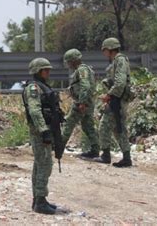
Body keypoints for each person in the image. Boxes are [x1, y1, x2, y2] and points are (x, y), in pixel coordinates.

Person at [22, 58, 62, 215]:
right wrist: (44, 130)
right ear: (37, 71)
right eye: (45, 70)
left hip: (45, 129)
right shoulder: (33, 88)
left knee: (40, 164)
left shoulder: (42, 87)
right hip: (40, 132)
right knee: (44, 164)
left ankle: (39, 199)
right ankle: (40, 201)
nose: (48, 72)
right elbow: (35, 110)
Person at [93, 37, 132, 167]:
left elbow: (120, 83)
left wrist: (108, 95)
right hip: (117, 100)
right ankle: (126, 158)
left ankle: (105, 156)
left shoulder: (120, 60)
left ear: (110, 49)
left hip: (117, 100)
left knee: (104, 126)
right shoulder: (117, 61)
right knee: (118, 129)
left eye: (104, 50)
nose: (104, 53)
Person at [61, 48, 100, 159]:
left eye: (68, 62)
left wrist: (82, 102)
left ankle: (59, 147)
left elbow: (85, 86)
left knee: (69, 122)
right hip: (88, 102)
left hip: (82, 102)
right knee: (88, 126)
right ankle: (95, 150)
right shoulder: (85, 69)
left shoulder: (82, 70)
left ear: (73, 61)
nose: (68, 64)